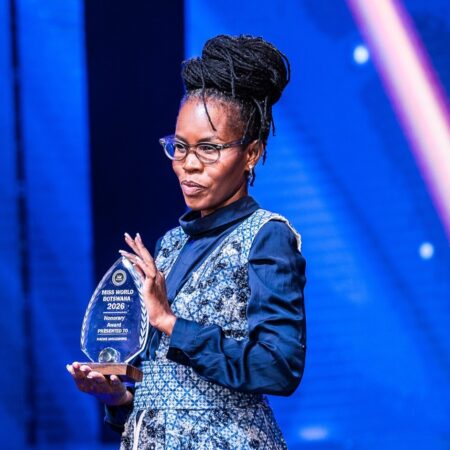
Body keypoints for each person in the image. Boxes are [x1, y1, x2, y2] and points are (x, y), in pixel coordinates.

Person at [67, 34, 306, 449]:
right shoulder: (171, 245)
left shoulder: (266, 236)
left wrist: (171, 323)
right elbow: (167, 392)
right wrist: (117, 397)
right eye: (180, 147)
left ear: (251, 153)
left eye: (209, 149)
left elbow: (279, 366)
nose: (188, 165)